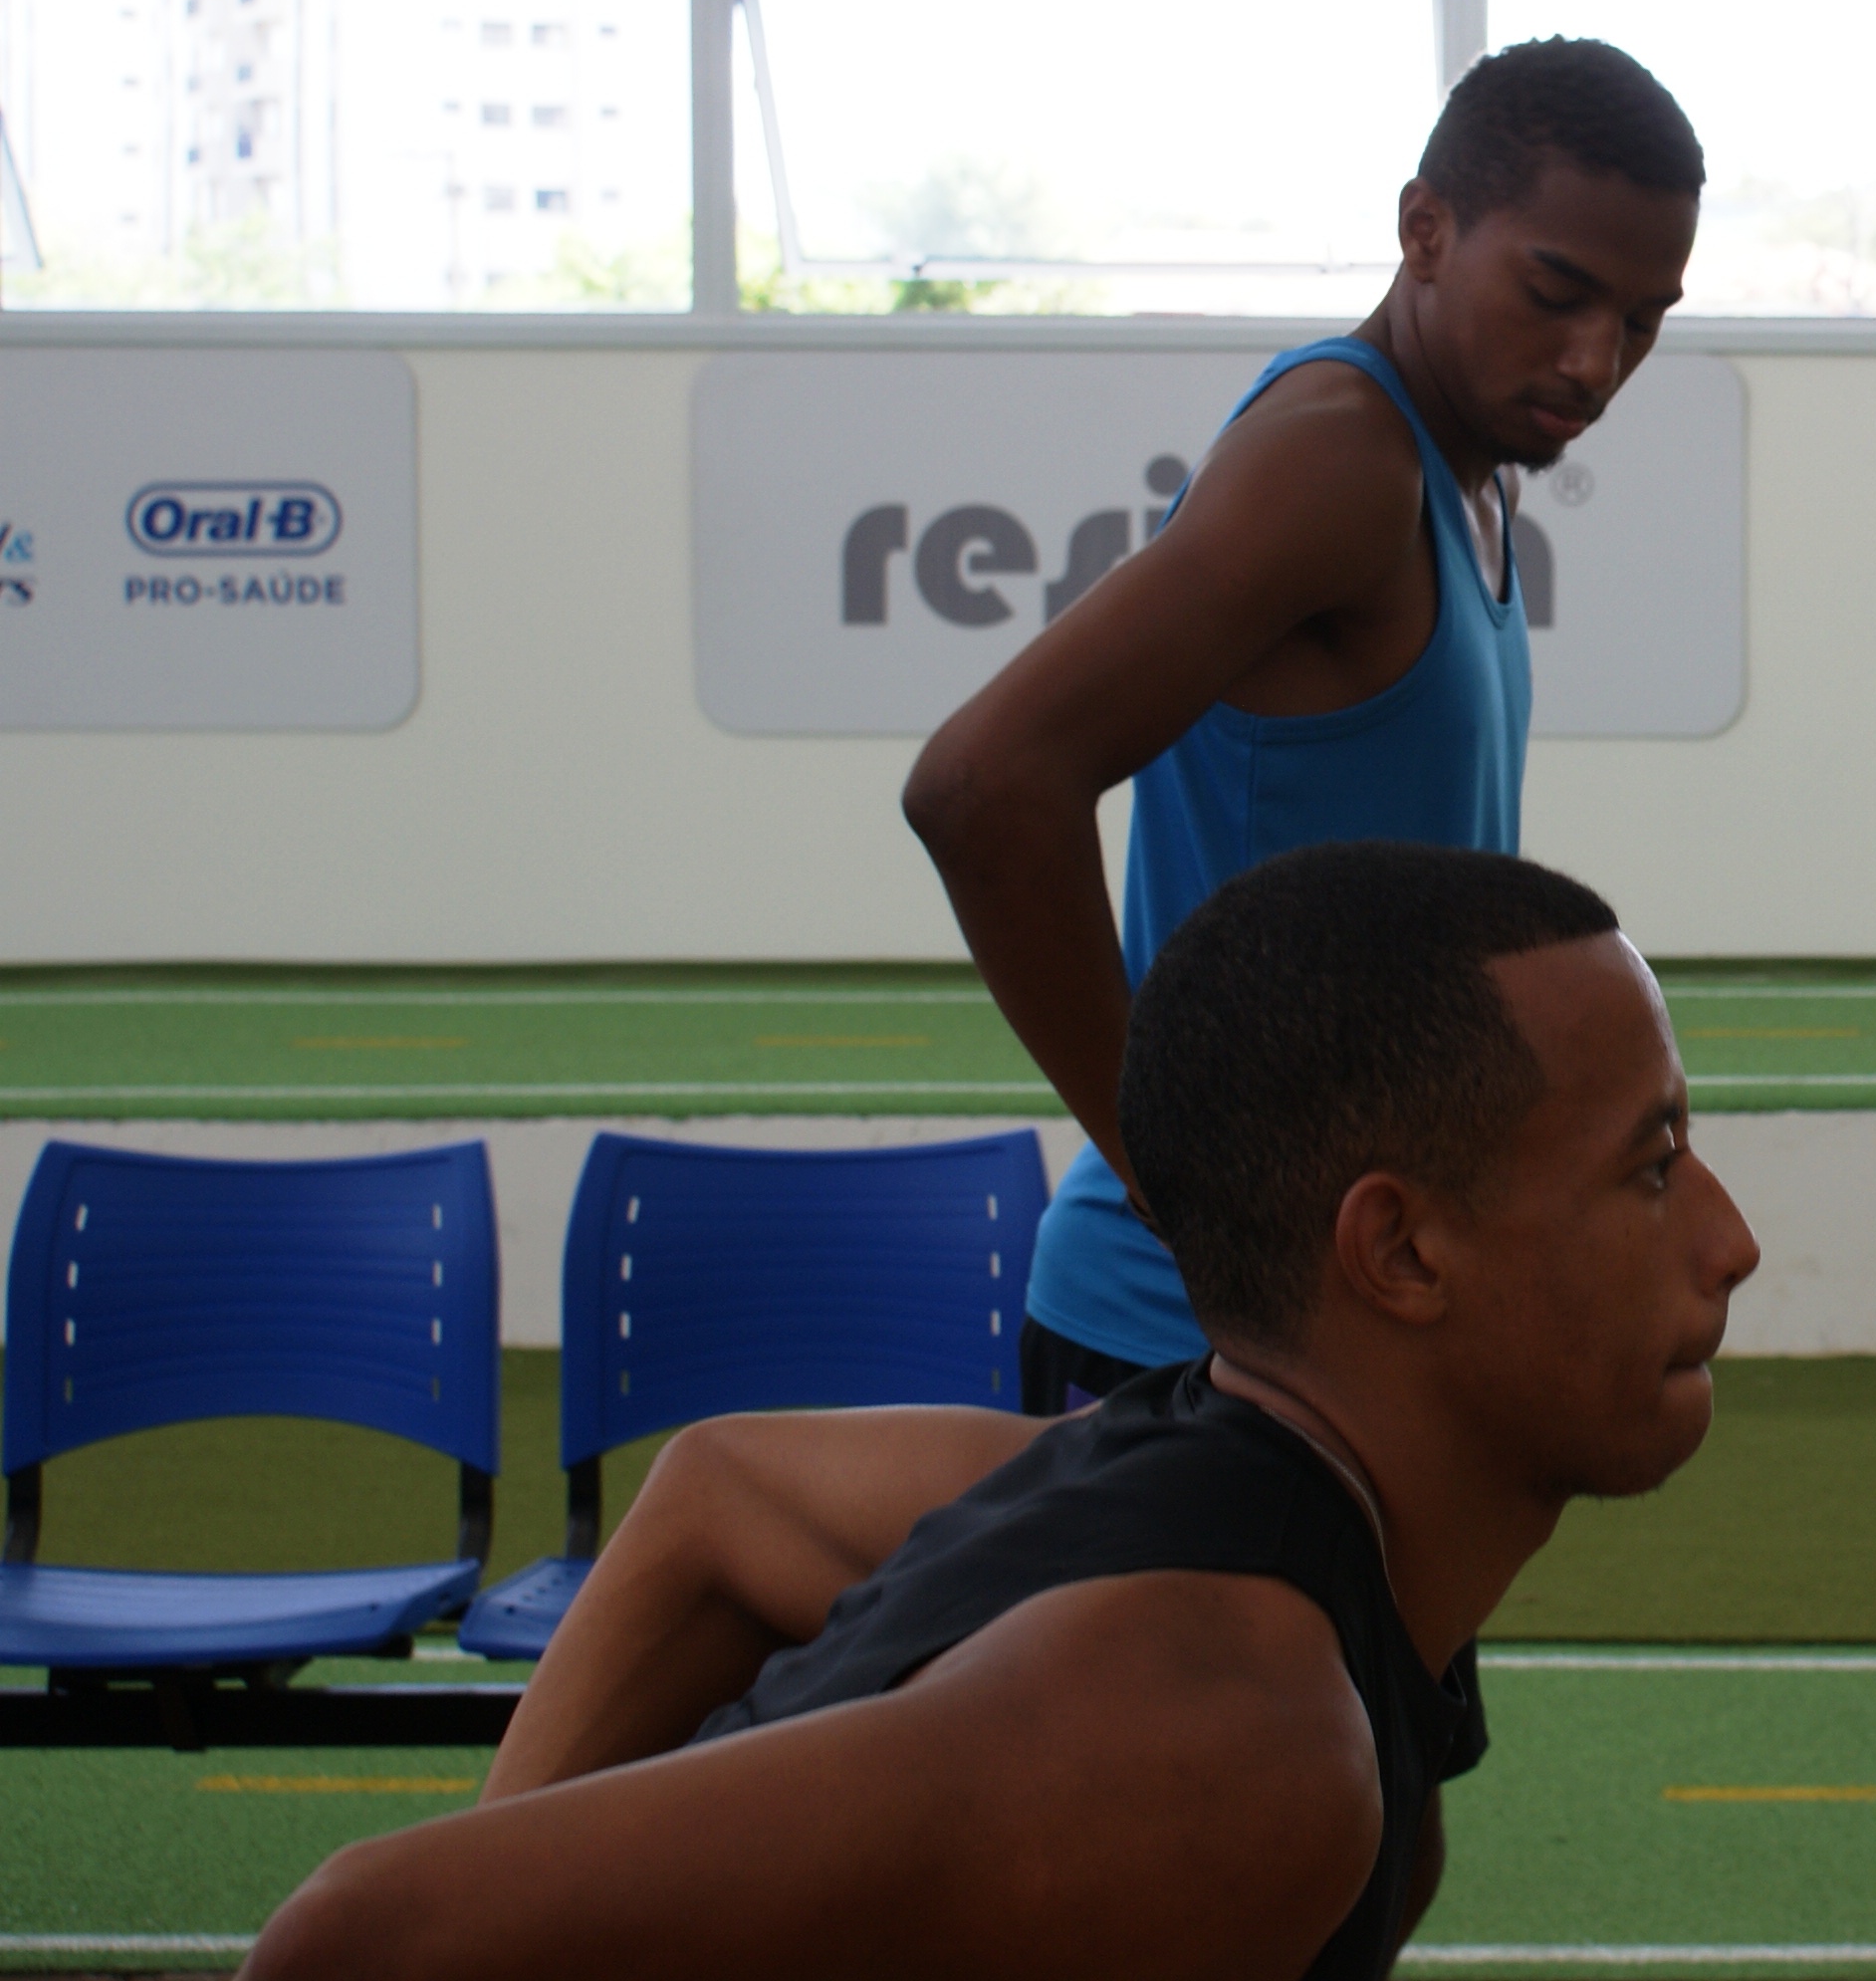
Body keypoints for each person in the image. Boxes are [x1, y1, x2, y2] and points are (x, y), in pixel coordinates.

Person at [244, 840, 1759, 1981]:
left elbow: (719, 1490)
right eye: (1651, 1167)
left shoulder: (1198, 1494)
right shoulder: (1230, 1738)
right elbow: (355, 1938)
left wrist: (510, 1846)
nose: (1730, 1241)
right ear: (1401, 1252)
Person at [906, 38, 1704, 1411]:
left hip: (1340, 1311)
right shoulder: (1343, 457)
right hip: (1189, 1336)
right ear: (1425, 229)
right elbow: (982, 788)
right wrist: (1177, 1179)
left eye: (1643, 320)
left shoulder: (1473, 477)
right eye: (1556, 293)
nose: (1595, 360)